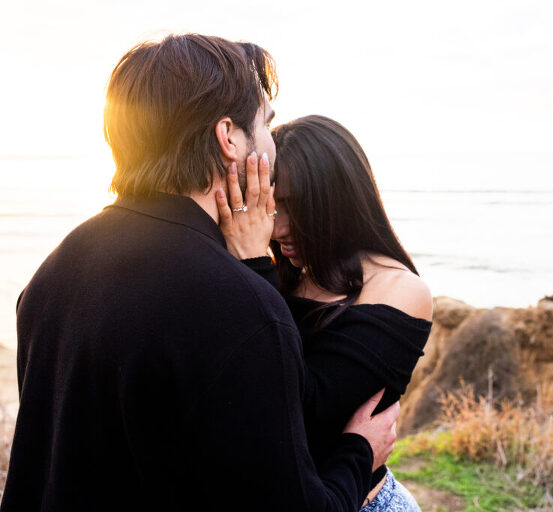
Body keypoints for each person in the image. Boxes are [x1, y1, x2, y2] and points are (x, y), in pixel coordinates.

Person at [1, 35, 399, 511]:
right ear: (228, 138)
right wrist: (359, 454)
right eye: (265, 125)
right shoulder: (240, 307)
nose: (272, 144)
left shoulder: (52, 274)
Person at [217, 115, 433, 511]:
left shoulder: (399, 290)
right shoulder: (285, 274)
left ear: (337, 200)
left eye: (294, 207)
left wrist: (251, 265)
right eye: (269, 205)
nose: (277, 229)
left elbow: (299, 413)